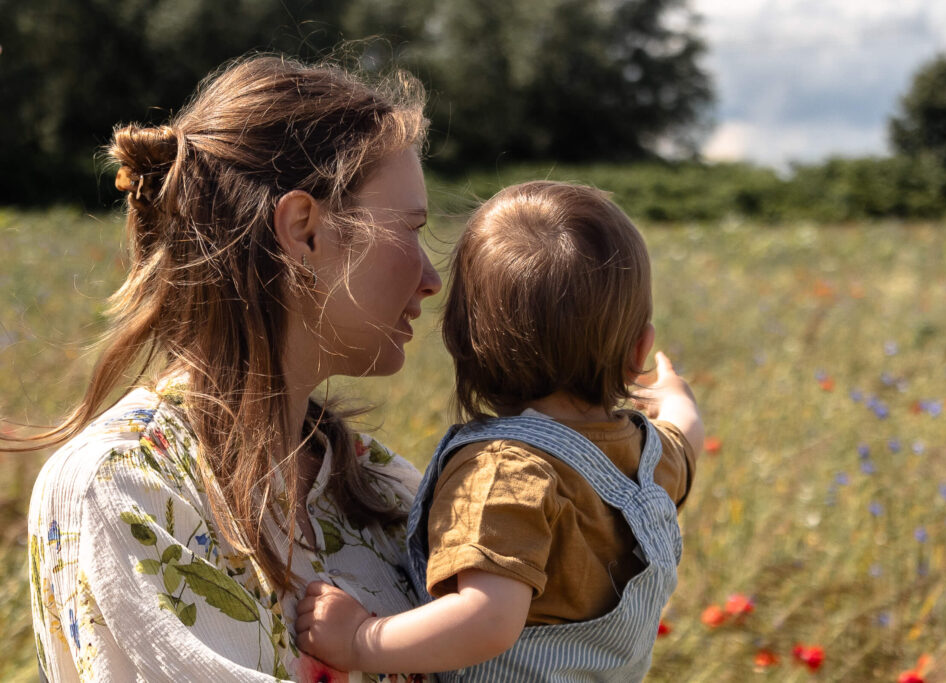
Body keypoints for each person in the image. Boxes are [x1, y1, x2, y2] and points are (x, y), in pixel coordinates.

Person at [12, 54, 442, 682]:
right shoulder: (123, 486)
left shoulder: (385, 486)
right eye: (410, 228)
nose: (431, 278)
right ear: (304, 230)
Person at [295, 181, 704, 680]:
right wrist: (675, 397)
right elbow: (687, 433)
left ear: (462, 342)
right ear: (639, 351)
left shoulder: (504, 472)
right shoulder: (649, 456)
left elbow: (488, 619)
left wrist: (361, 640)